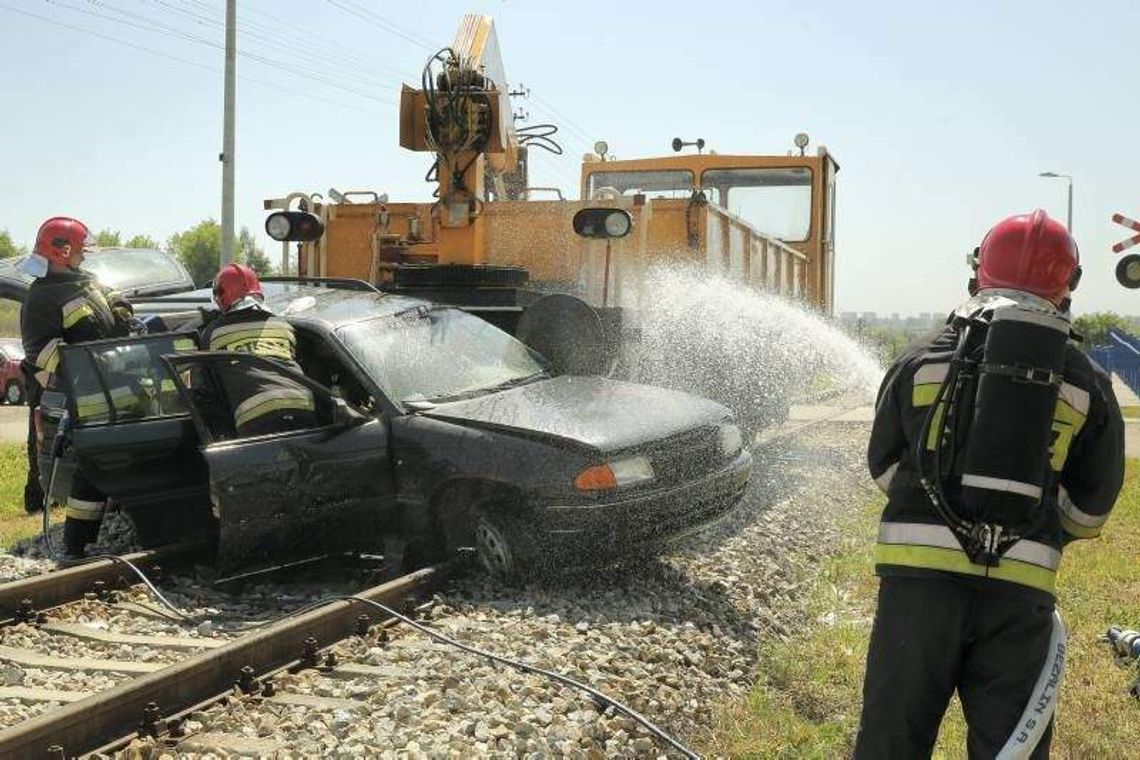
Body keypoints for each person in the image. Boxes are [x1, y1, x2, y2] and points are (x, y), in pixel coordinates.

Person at [855, 209, 1125, 758]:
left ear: (979, 271)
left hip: (916, 592)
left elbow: (883, 464)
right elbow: (1091, 509)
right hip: (1019, 597)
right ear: (1067, 285)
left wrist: (932, 509)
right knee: (1010, 748)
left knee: (890, 741)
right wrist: (1032, 524)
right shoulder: (1086, 383)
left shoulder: (920, 358)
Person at [21, 216, 134, 558]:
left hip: (119, 390)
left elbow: (118, 303)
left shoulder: (86, 282)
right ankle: (76, 545)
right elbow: (41, 350)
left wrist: (123, 312)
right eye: (81, 250)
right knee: (92, 466)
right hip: (89, 398)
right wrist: (87, 369)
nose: (84, 256)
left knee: (119, 462)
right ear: (61, 250)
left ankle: (137, 525)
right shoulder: (41, 298)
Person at [198, 263, 315, 436]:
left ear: (222, 295)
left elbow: (209, 381)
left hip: (256, 418)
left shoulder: (213, 332)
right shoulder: (283, 325)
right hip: (302, 406)